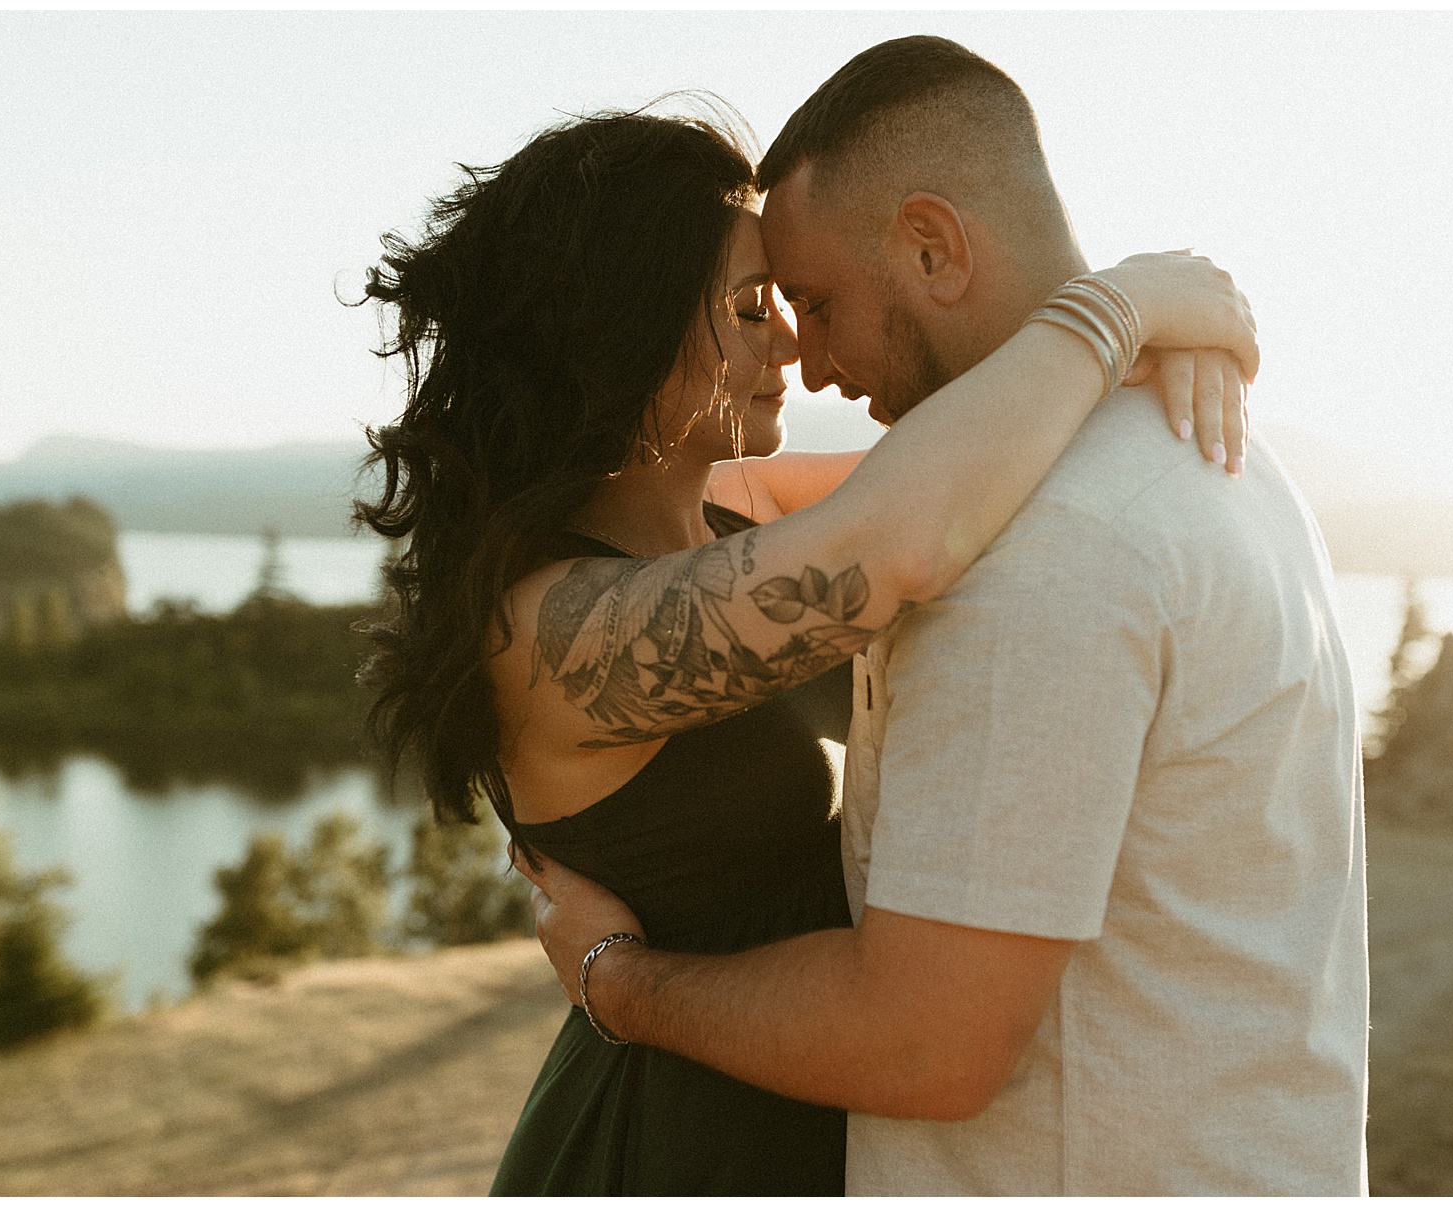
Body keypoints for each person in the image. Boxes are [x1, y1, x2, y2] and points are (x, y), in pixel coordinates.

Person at [354, 98, 1256, 1195]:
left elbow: (987, 464)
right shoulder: (547, 630)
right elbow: (906, 544)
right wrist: (1116, 308)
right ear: (621, 333)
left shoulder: (730, 507)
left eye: (785, 299)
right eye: (745, 306)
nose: (789, 339)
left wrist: (1161, 352)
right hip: (675, 1140)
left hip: (802, 1106)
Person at [517, 36, 1369, 1196]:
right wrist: (1127, 308)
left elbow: (924, 1042)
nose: (804, 361)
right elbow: (866, 518)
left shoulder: (1039, 551)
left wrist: (620, 981)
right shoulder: (1211, 455)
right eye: (761, 310)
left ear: (933, 245)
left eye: (813, 303)